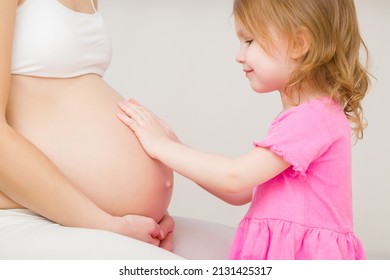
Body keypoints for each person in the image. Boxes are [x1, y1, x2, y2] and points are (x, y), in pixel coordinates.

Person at [117, 0, 370, 259]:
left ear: (298, 44)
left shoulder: (313, 118)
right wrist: (176, 146)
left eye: (249, 41)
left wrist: (161, 146)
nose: (239, 55)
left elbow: (235, 177)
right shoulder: (307, 117)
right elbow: (240, 192)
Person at [0, 0, 180, 259]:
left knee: (234, 254)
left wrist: (148, 212)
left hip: (100, 217)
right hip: (38, 214)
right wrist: (108, 224)